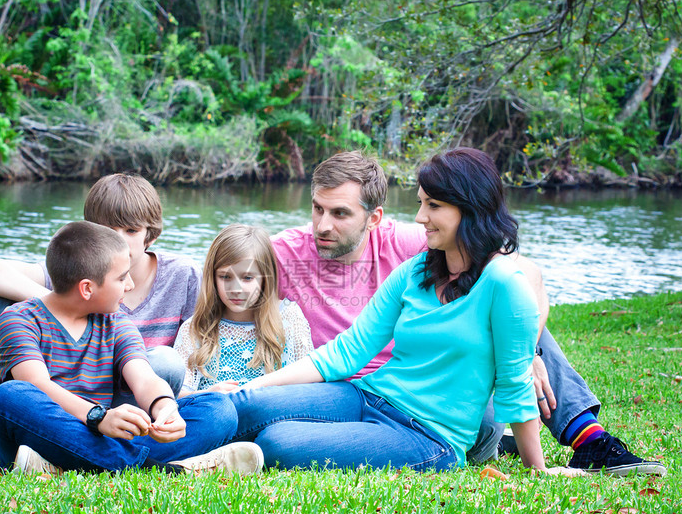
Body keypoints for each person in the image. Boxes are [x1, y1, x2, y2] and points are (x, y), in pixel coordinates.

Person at [267, 150, 666, 476]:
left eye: (339, 213)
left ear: (374, 218)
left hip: (441, 407)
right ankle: (505, 443)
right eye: (316, 209)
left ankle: (588, 439)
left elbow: (526, 276)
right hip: (351, 393)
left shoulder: (412, 242)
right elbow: (217, 276)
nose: (321, 225)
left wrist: (526, 352)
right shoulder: (283, 252)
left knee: (513, 314)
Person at [229, 148, 547, 471]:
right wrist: (249, 387)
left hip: (432, 435)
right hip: (370, 396)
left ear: (471, 209)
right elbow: (350, 349)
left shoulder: (502, 281)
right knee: (246, 406)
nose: (421, 217)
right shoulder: (418, 268)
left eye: (433, 206)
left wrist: (539, 467)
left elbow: (515, 384)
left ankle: (580, 434)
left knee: (277, 441)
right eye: (421, 203)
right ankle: (180, 450)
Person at [0, 174, 200, 466]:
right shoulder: (76, 275)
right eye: (106, 229)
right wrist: (57, 304)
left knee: (167, 364)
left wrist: (173, 405)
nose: (119, 238)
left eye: (130, 230)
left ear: (150, 235)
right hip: (66, 406)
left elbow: (210, 336)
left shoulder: (182, 275)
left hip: (142, 407)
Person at [0, 220, 263, 475]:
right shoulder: (19, 319)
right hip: (49, 429)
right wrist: (98, 417)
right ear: (86, 289)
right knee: (11, 396)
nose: (130, 285)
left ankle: (59, 465)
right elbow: (38, 385)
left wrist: (166, 408)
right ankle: (161, 469)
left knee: (218, 409)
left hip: (97, 436)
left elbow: (143, 377)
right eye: (121, 278)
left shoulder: (116, 321)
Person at [174, 224, 313, 394]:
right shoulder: (195, 328)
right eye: (225, 277)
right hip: (216, 412)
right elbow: (178, 394)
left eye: (247, 277)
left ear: (265, 279)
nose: (236, 288)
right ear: (212, 277)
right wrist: (207, 395)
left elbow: (308, 385)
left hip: (273, 415)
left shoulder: (289, 317)